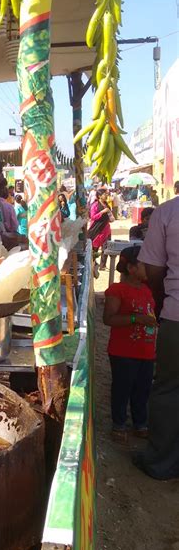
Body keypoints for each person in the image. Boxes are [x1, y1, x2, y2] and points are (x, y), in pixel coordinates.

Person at [135, 194, 179, 479]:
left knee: (168, 388)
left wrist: (163, 301)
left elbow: (153, 270)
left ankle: (162, 461)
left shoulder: (167, 213)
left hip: (176, 315)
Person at [103, 246, 157, 444]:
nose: (149, 268)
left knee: (142, 389)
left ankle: (140, 423)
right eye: (144, 264)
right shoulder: (117, 290)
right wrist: (137, 319)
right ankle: (119, 424)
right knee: (122, 388)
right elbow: (108, 319)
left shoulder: (147, 289)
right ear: (132, 268)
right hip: (123, 351)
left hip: (147, 350)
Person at [88, 187, 113, 273]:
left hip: (106, 230)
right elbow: (93, 217)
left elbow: (110, 215)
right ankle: (93, 264)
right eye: (104, 194)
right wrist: (102, 212)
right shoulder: (95, 205)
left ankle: (103, 265)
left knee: (106, 248)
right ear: (99, 196)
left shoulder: (107, 204)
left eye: (106, 194)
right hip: (97, 230)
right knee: (94, 248)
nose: (106, 195)